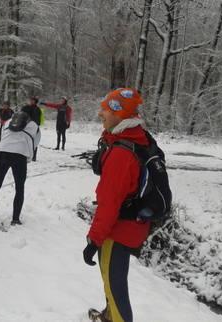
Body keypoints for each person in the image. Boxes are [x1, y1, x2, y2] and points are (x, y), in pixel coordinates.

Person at [83, 88, 149, 322]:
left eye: (105, 109)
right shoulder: (134, 136)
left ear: (120, 115)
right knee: (112, 281)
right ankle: (109, 316)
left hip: (118, 229)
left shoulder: (122, 153)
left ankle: (117, 317)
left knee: (116, 287)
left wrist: (94, 240)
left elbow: (109, 204)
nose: (99, 113)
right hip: (130, 223)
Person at [0, 111, 40, 225]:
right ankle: (15, 219)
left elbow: (2, 136)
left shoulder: (7, 122)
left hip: (2, 151)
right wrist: (28, 157)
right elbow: (35, 143)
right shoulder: (34, 126)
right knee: (19, 187)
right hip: (20, 153)